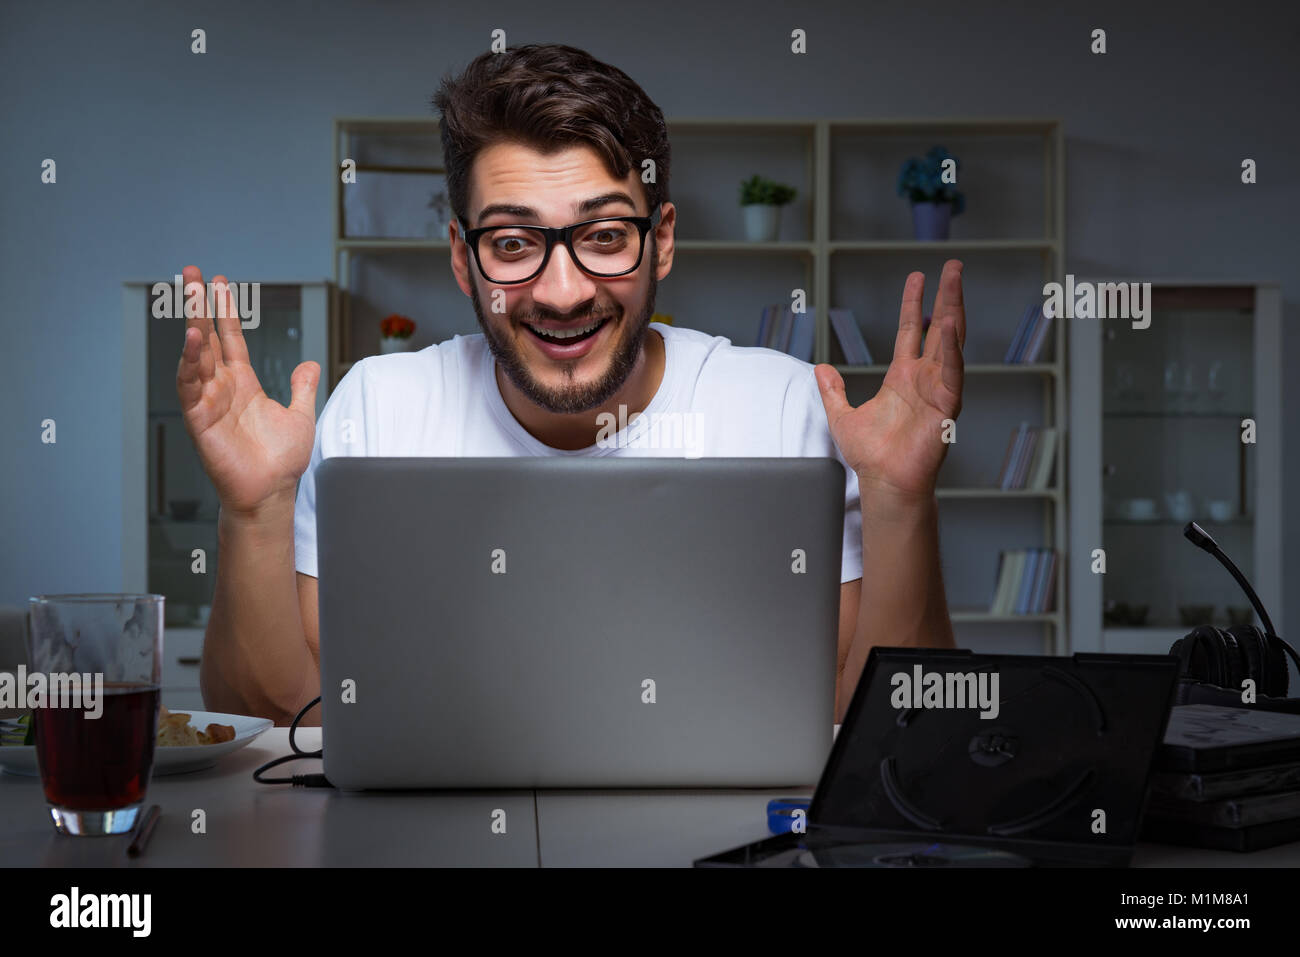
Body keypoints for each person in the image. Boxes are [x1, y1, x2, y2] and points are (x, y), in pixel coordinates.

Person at [179, 43, 962, 727]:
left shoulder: (782, 408)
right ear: (463, 258)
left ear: (662, 244)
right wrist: (252, 512)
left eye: (605, 236)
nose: (562, 292)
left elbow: (891, 728)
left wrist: (900, 500)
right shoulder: (379, 411)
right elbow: (278, 719)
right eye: (514, 242)